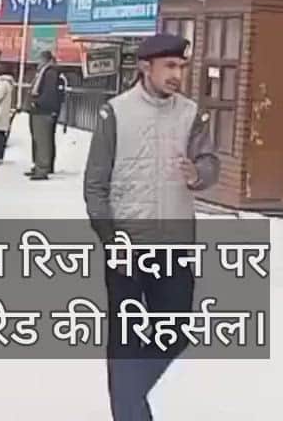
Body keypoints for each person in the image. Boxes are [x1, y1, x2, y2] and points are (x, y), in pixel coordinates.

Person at [82, 33, 219, 421]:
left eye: (181, 67)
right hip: (126, 243)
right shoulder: (115, 113)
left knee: (174, 332)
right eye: (170, 66)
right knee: (125, 339)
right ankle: (131, 414)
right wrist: (110, 238)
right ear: (146, 67)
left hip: (175, 242)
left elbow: (210, 162)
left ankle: (127, 398)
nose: (177, 74)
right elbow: (95, 185)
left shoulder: (192, 113)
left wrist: (198, 174)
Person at [27, 50, 67, 180]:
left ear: (46, 60)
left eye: (40, 59)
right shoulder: (44, 72)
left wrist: (37, 103)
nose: (39, 62)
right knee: (40, 139)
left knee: (43, 140)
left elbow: (49, 93)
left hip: (44, 111)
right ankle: (40, 165)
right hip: (41, 111)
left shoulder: (50, 73)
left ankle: (42, 168)